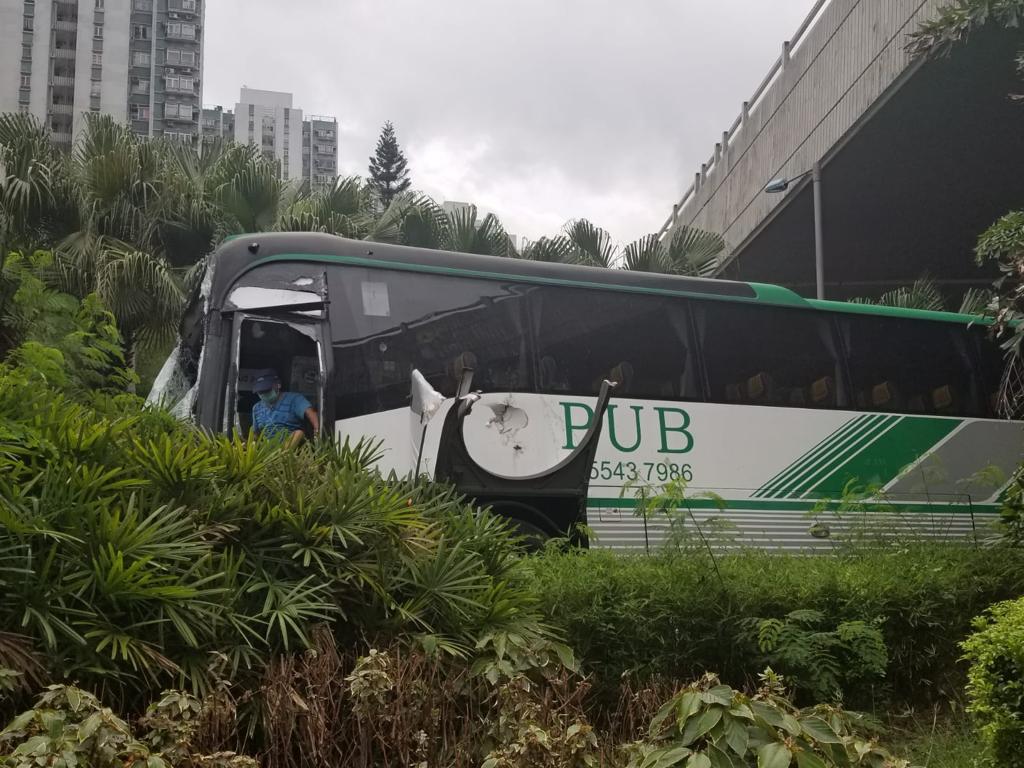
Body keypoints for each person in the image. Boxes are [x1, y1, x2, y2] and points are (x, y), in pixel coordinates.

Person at [250, 369, 319, 447]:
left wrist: (317, 433)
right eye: (260, 392)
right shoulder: (256, 408)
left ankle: (282, 453)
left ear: (278, 385)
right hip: (268, 449)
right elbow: (256, 434)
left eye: (267, 390)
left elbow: (311, 413)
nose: (264, 394)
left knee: (299, 433)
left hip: (293, 447)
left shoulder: (295, 399)